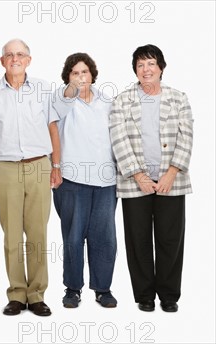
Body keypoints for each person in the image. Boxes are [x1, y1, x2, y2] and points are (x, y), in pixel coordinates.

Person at [0, 38, 62, 317]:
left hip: (39, 166)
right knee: (11, 234)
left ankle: (36, 295)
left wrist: (56, 166)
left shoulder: (43, 89)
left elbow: (52, 130)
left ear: (29, 60)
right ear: (2, 61)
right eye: (9, 55)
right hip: (6, 168)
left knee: (37, 233)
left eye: (20, 54)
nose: (15, 58)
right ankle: (16, 294)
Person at [109, 44, 193, 313]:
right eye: (140, 65)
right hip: (135, 182)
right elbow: (118, 139)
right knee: (138, 239)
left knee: (170, 239)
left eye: (151, 64)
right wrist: (139, 175)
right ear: (135, 69)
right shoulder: (122, 100)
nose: (146, 69)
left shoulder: (178, 98)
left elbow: (186, 137)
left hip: (172, 180)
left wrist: (171, 173)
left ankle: (169, 296)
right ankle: (144, 295)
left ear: (161, 68)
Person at [52, 53, 118, 309]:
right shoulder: (62, 100)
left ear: (93, 75)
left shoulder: (107, 102)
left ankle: (103, 289)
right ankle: (72, 288)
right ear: (68, 77)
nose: (81, 77)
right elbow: (67, 96)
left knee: (104, 238)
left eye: (85, 73)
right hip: (72, 180)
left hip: (105, 181)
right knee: (73, 237)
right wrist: (72, 87)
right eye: (75, 73)